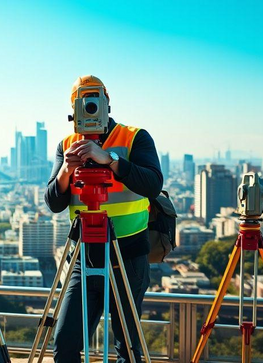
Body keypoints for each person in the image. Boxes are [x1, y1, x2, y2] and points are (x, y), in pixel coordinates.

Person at [46, 75, 163, 363]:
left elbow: (152, 184)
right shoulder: (67, 144)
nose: (89, 107)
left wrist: (109, 159)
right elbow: (53, 202)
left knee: (127, 348)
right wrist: (65, 172)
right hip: (83, 257)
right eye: (82, 101)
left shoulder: (135, 137)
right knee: (65, 345)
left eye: (95, 100)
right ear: (73, 107)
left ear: (107, 103)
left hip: (129, 258)